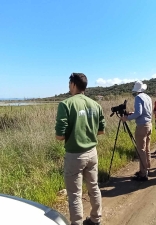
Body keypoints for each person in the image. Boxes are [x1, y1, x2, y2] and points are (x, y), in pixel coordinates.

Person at [55, 73, 105, 225]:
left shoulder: (66, 104)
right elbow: (101, 131)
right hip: (92, 153)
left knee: (75, 194)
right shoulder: (96, 105)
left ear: (73, 84)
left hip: (75, 155)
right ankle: (96, 219)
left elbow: (59, 136)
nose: (69, 87)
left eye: (69, 84)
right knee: (94, 187)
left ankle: (76, 223)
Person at [121, 80, 152, 181]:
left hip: (142, 126)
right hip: (149, 124)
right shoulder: (147, 97)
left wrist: (127, 118)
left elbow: (139, 112)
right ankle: (147, 168)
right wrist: (132, 113)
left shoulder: (138, 97)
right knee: (147, 148)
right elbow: (144, 111)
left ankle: (143, 174)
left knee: (141, 150)